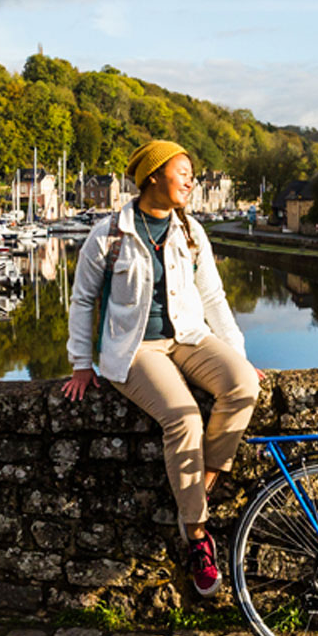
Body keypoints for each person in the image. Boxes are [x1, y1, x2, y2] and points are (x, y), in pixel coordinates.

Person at [63, 140, 261, 596]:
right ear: (153, 176)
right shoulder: (109, 233)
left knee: (243, 384)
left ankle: (201, 483)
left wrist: (237, 352)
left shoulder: (190, 230)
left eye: (192, 172)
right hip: (137, 350)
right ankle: (196, 533)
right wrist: (80, 363)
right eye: (183, 171)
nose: (191, 180)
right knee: (185, 418)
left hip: (190, 337)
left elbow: (213, 297)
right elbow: (83, 300)